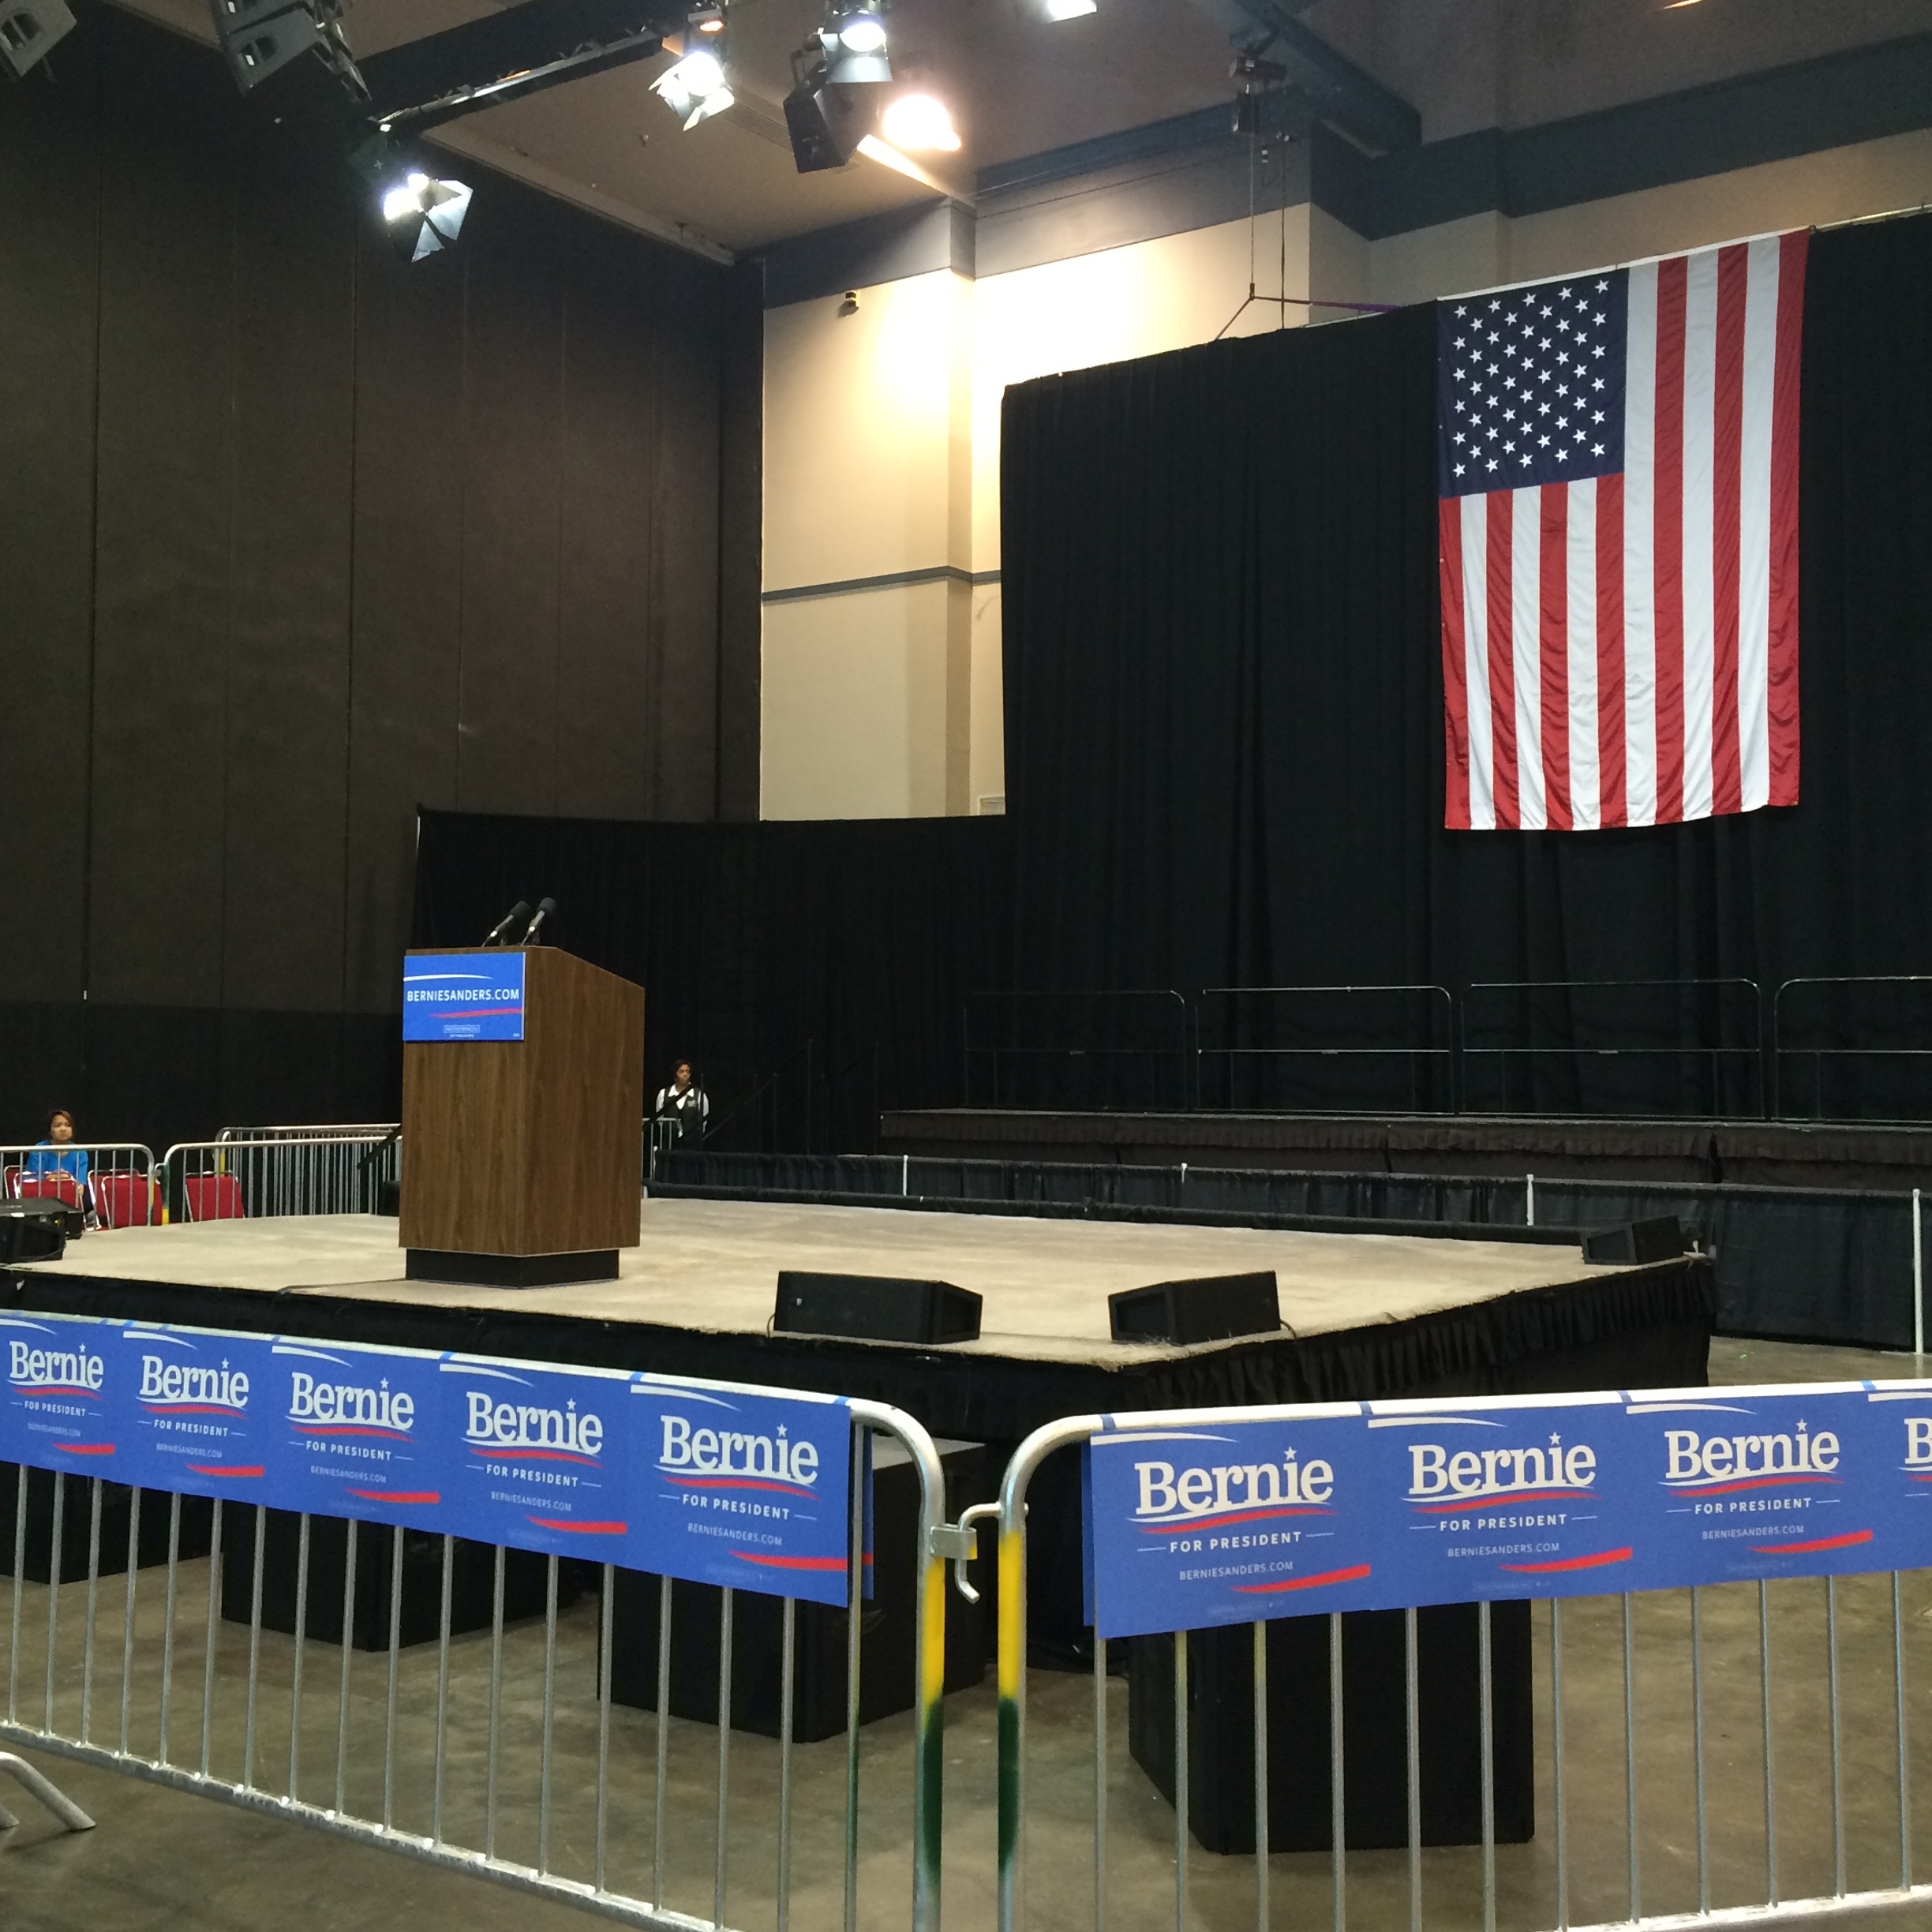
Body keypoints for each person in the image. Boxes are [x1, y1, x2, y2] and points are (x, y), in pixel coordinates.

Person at [23, 1108, 92, 1219]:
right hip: (44, 1196)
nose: (63, 1129)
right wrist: (56, 1177)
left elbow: (80, 1183)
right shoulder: (39, 1149)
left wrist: (69, 1183)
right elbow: (34, 1179)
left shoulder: (80, 1152)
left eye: (68, 1125)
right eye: (58, 1125)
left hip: (70, 1195)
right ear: (50, 1130)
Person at [652, 1061, 710, 1148]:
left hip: (692, 1145)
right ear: (675, 1074)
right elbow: (660, 1119)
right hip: (669, 1144)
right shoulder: (664, 1094)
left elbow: (704, 1119)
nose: (685, 1074)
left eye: (687, 1071)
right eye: (681, 1071)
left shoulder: (699, 1095)